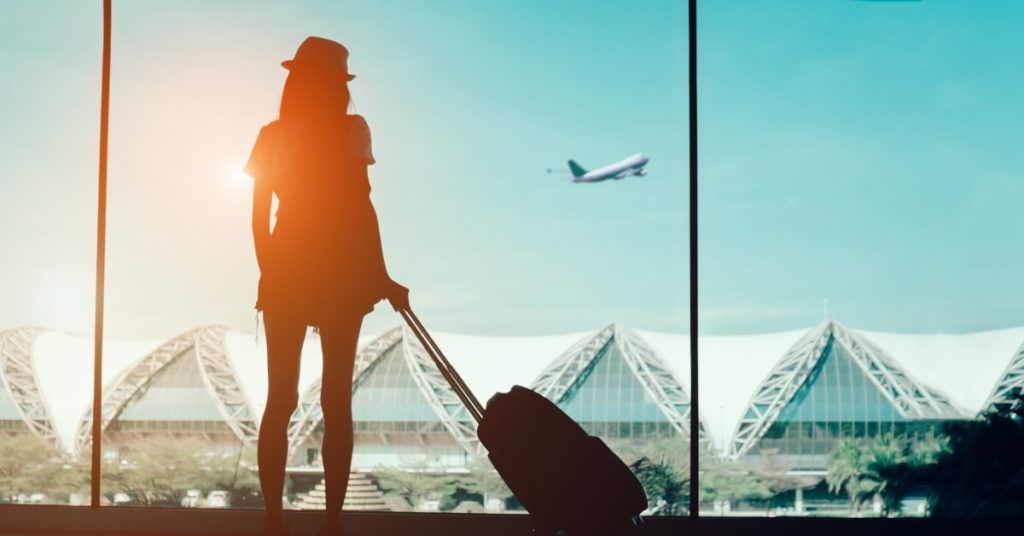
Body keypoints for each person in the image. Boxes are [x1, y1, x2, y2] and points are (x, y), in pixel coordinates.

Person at [246, 36, 409, 536]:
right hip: (341, 269)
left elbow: (258, 219)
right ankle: (331, 523)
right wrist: (380, 274)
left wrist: (271, 272)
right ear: (338, 84)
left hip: (289, 266)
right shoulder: (352, 129)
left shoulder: (272, 134)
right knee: (337, 401)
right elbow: (361, 208)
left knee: (281, 399)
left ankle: (274, 519)